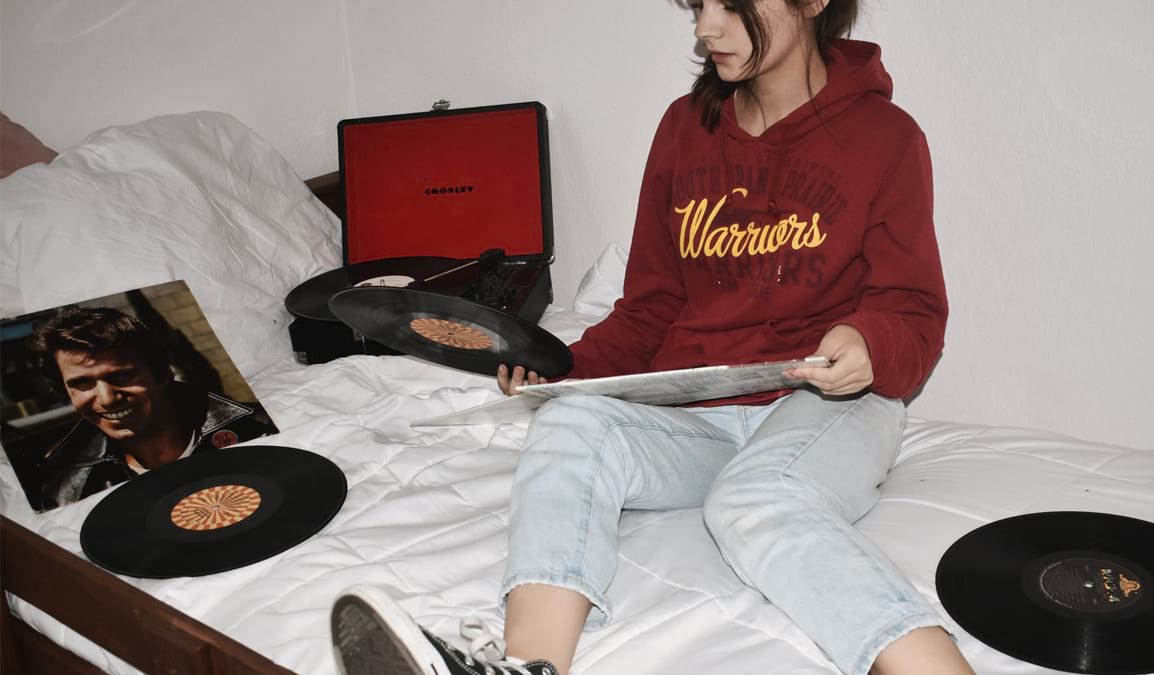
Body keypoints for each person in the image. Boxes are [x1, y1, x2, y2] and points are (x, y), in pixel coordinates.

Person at [332, 1, 975, 674]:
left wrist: (870, 341)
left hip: (825, 403)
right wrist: (563, 369)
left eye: (731, 4)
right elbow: (651, 305)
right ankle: (526, 666)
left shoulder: (885, 138)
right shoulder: (685, 127)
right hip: (697, 410)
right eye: (698, 5)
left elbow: (914, 311)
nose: (705, 28)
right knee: (569, 423)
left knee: (757, 498)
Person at [32, 305, 276, 509]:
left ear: (161, 375)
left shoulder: (261, 428)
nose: (107, 399)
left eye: (121, 376)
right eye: (82, 383)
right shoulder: (66, 493)